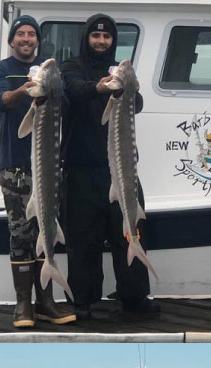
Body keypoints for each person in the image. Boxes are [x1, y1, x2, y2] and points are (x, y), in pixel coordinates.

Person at [61, 13, 158, 320]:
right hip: (81, 169)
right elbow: (74, 90)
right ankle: (83, 301)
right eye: (96, 36)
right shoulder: (70, 67)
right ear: (86, 38)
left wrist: (127, 88)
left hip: (122, 168)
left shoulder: (118, 70)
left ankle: (134, 296)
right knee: (82, 239)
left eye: (106, 37)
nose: (101, 41)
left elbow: (138, 104)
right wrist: (100, 88)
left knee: (131, 232)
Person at [0, 15, 76, 328]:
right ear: (12, 40)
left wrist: (50, 91)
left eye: (31, 35)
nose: (26, 39)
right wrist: (26, 91)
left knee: (47, 230)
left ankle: (47, 302)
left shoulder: (49, 69)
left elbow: (64, 104)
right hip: (14, 168)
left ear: (37, 40)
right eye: (21, 34)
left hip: (48, 167)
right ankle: (23, 304)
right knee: (19, 234)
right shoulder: (1, 70)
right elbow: (0, 100)